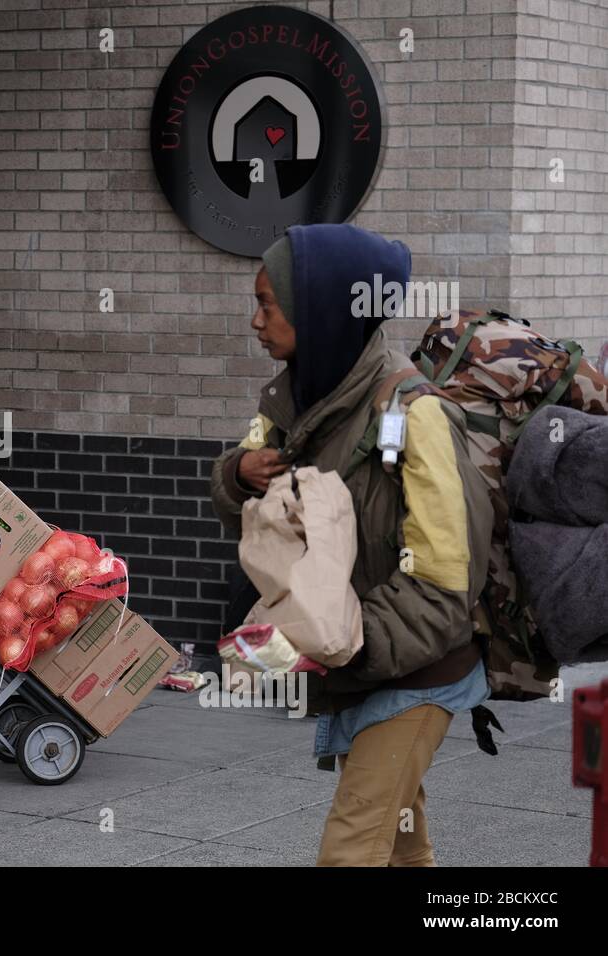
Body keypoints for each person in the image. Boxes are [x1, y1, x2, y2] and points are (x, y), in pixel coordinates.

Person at [209, 223, 494, 866]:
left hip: (419, 669)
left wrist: (348, 644)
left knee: (352, 847)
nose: (255, 322)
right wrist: (237, 476)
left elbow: (447, 578)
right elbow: (257, 522)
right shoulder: (293, 401)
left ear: (321, 310)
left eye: (268, 305)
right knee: (399, 845)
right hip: (356, 664)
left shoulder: (412, 415)